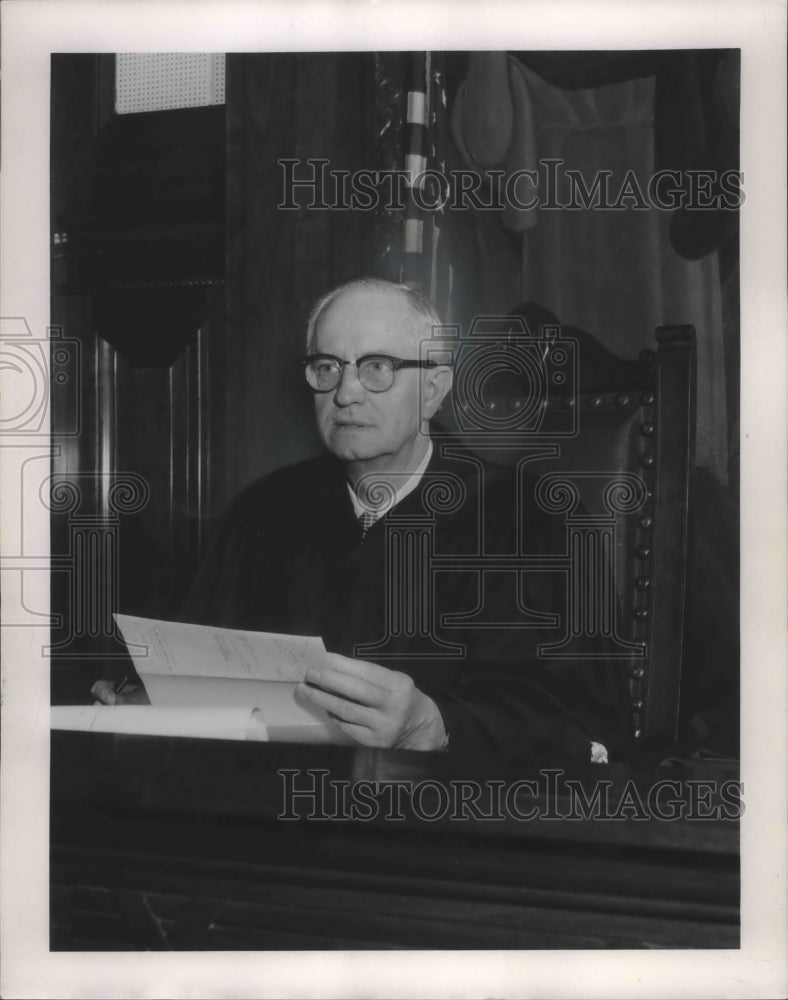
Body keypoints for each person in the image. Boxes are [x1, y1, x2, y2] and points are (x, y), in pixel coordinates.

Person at [98, 277, 632, 761]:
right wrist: (153, 701)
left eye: (378, 367)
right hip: (266, 824)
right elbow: (201, 672)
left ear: (433, 389)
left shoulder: (530, 521)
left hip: (446, 835)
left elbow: (587, 731)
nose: (346, 392)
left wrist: (434, 724)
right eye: (326, 367)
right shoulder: (264, 512)